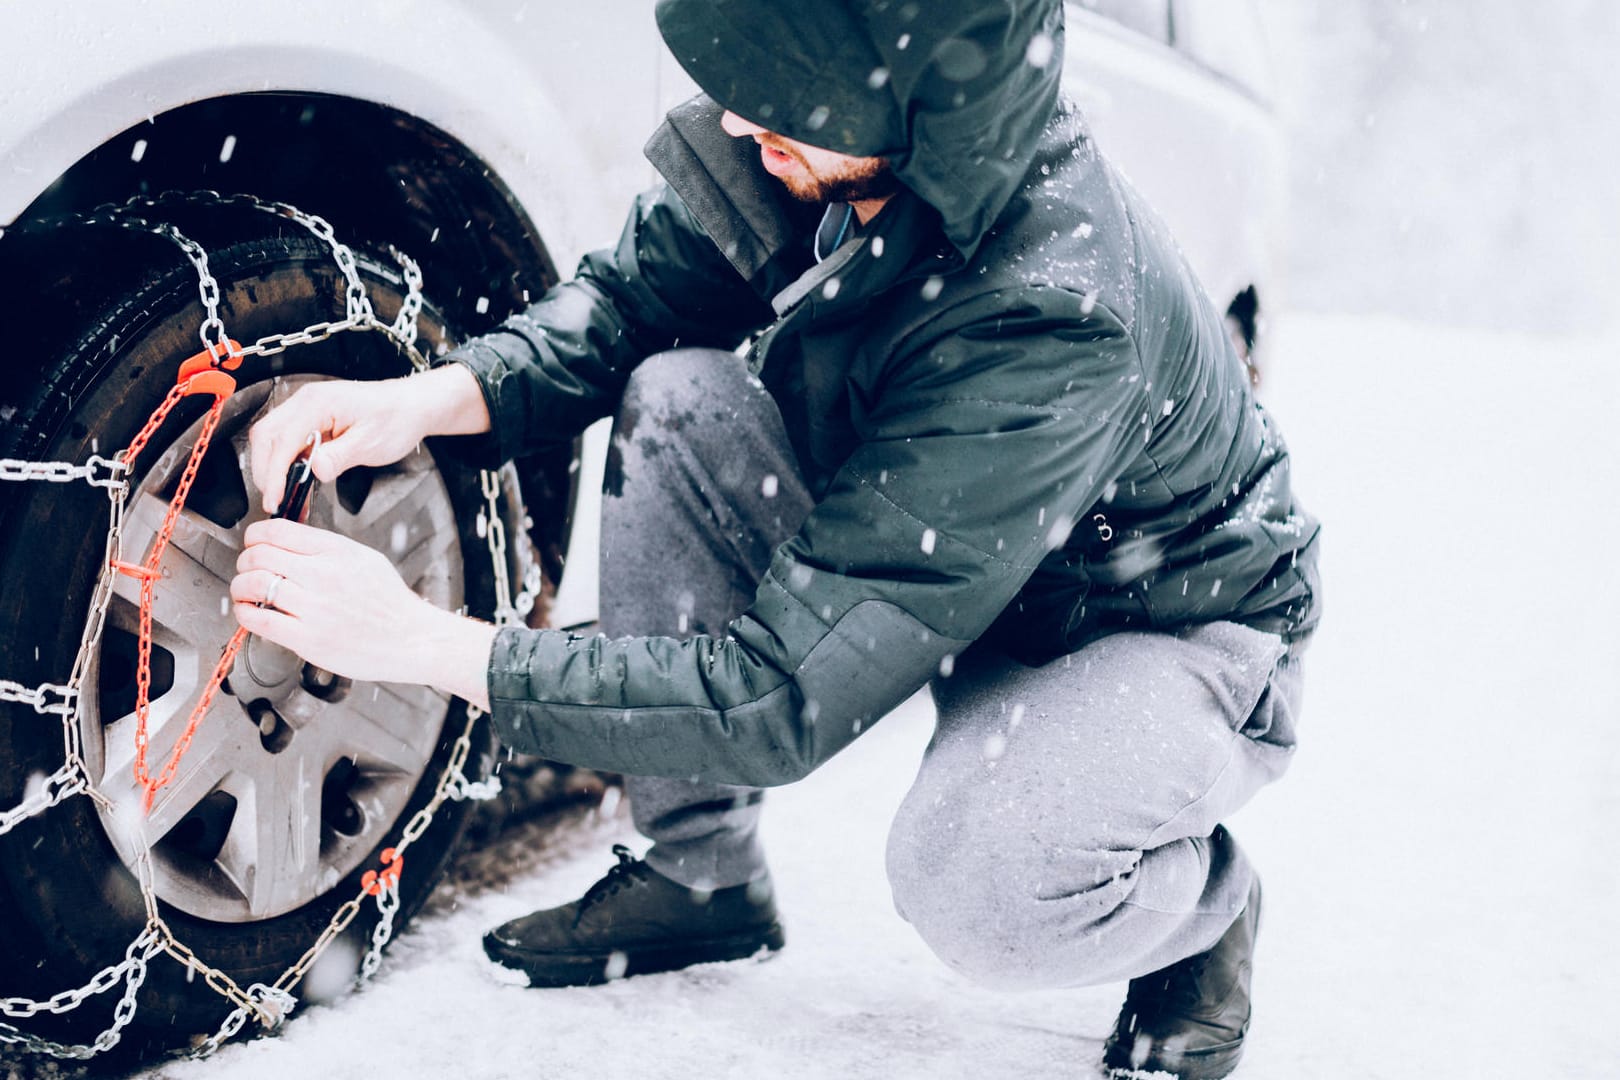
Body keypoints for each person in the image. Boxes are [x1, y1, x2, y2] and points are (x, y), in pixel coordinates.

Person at [234, 1, 1320, 1076]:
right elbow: (632, 303)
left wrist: (425, 645)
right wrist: (436, 397)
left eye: (782, 103)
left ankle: (1200, 911)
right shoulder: (833, 147)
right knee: (682, 396)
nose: (744, 122)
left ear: (903, 100)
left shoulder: (1049, 316)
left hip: (1163, 628)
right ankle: (701, 873)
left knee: (978, 883)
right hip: (978, 569)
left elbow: (774, 698)